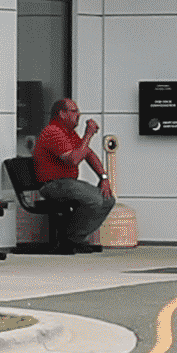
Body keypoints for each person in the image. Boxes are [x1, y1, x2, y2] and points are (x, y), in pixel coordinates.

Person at [25, 98, 111, 253]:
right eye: (74, 111)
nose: (78, 115)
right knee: (95, 199)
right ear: (62, 114)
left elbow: (88, 154)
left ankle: (74, 238)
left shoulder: (69, 133)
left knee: (107, 199)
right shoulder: (53, 132)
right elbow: (73, 159)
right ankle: (70, 238)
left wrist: (103, 178)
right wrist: (88, 135)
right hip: (53, 184)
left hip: (68, 183)